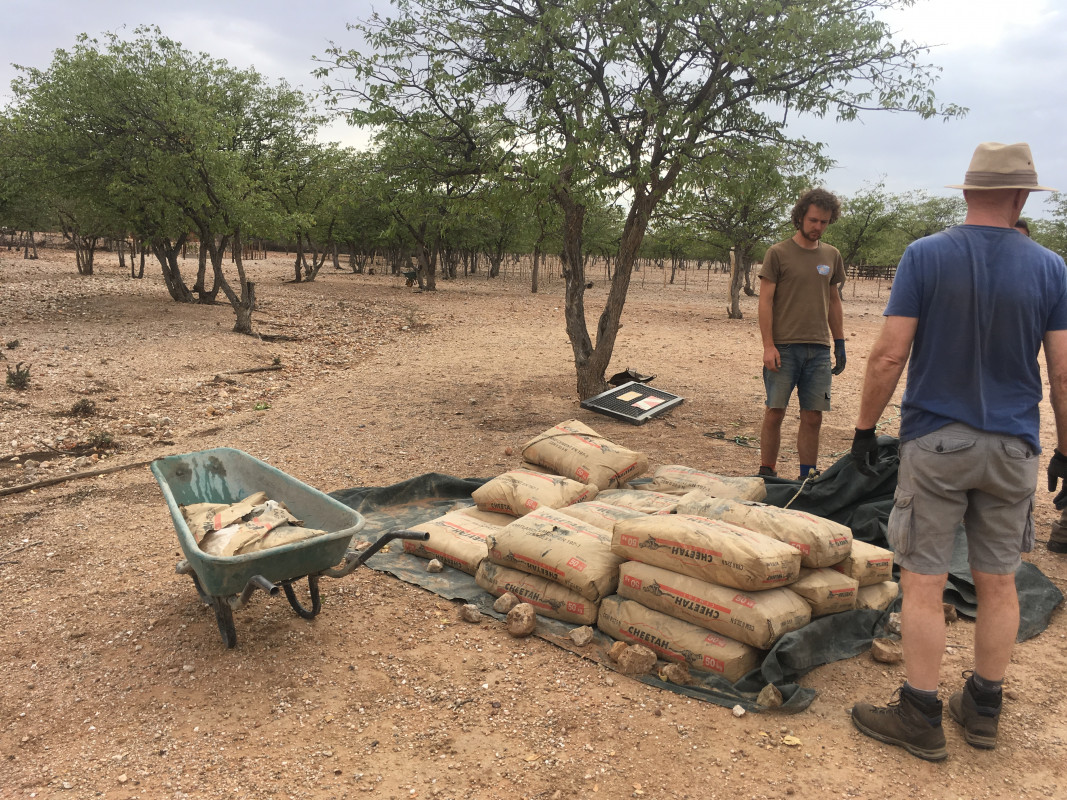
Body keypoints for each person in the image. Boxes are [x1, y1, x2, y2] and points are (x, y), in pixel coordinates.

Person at [849, 142, 1067, 761]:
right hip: (1014, 448)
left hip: (937, 442)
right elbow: (1063, 374)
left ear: (966, 192)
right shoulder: (1053, 269)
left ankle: (919, 713)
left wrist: (865, 429)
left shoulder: (925, 256)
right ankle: (983, 707)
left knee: (923, 577)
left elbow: (890, 353)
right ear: (1023, 198)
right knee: (999, 581)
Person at [757, 188, 846, 480]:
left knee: (813, 415)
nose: (817, 227)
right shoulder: (778, 253)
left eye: (824, 222)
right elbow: (765, 301)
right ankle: (767, 471)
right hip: (784, 347)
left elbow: (834, 301)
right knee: (775, 411)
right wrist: (768, 346)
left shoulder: (832, 255)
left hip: (818, 350)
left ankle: (807, 476)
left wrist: (840, 342)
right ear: (800, 217)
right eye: (813, 220)